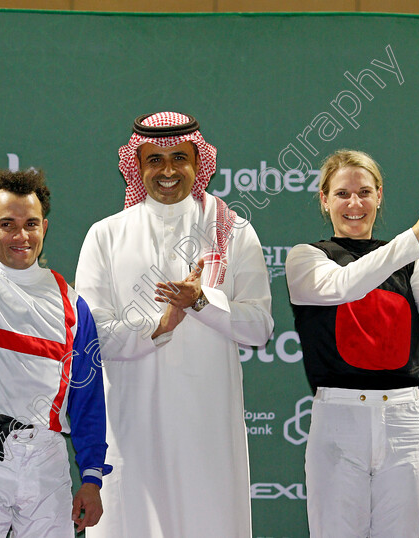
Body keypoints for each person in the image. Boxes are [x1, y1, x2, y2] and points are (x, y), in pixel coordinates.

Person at [75, 111, 274, 537]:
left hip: (208, 428)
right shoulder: (105, 236)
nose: (168, 171)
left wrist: (202, 302)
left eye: (179, 158)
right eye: (154, 160)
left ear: (198, 163)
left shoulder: (233, 232)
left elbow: (259, 327)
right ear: (137, 165)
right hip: (131, 427)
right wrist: (160, 323)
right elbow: (94, 339)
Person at [0, 102, 111, 537]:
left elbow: (87, 400)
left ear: (45, 226)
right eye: (6, 224)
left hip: (47, 460)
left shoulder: (72, 304)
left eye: (30, 224)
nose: (20, 235)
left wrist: (91, 477)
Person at [285, 149, 419, 537]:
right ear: (325, 200)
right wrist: (415, 235)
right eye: (342, 193)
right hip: (338, 420)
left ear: (379, 195)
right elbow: (344, 286)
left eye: (364, 191)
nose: (354, 203)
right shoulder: (305, 258)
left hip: (404, 421)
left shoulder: (410, 261)